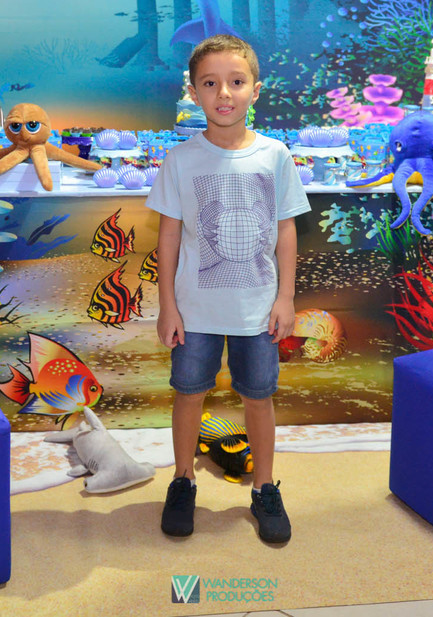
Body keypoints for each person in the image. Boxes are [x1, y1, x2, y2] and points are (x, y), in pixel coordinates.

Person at [145, 34, 310, 544]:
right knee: (188, 394)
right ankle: (182, 480)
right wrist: (167, 306)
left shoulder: (275, 155)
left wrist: (285, 298)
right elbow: (168, 238)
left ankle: (264, 487)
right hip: (194, 311)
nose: (224, 93)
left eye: (236, 82)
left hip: (257, 311)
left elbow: (286, 230)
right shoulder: (180, 160)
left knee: (258, 397)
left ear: (254, 90)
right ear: (193, 92)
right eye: (210, 83)